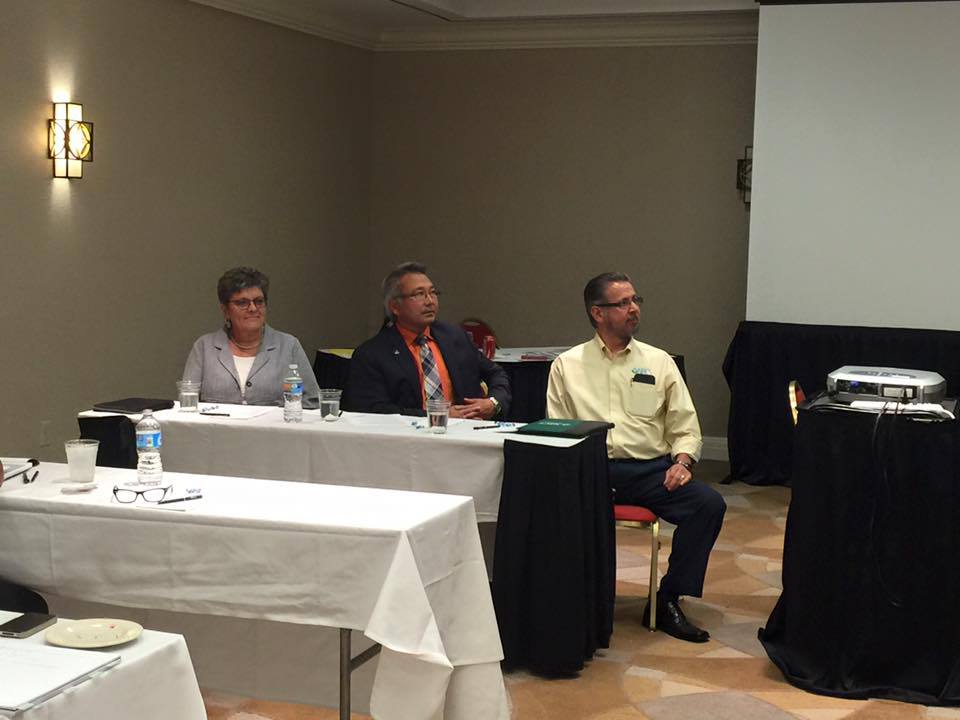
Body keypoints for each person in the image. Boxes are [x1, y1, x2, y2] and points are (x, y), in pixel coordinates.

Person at [546, 272, 725, 643]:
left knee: (707, 505)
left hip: (649, 472)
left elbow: (685, 425)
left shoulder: (659, 362)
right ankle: (573, 601)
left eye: (635, 300)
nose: (633, 309)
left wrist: (683, 462)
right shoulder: (567, 365)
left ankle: (667, 598)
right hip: (592, 471)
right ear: (597, 313)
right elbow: (558, 430)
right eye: (623, 303)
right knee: (549, 509)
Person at [346, 261, 511, 418]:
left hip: (466, 430)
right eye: (419, 294)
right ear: (394, 306)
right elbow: (373, 411)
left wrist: (493, 403)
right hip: (408, 435)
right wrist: (435, 416)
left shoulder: (454, 337)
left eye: (433, 293)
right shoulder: (372, 355)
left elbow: (496, 373)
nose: (430, 301)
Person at [183, 266, 319, 408]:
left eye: (259, 301)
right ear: (225, 310)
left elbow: (312, 402)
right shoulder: (204, 347)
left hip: (274, 422)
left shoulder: (289, 346)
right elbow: (188, 403)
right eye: (242, 302)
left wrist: (277, 411)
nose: (253, 308)